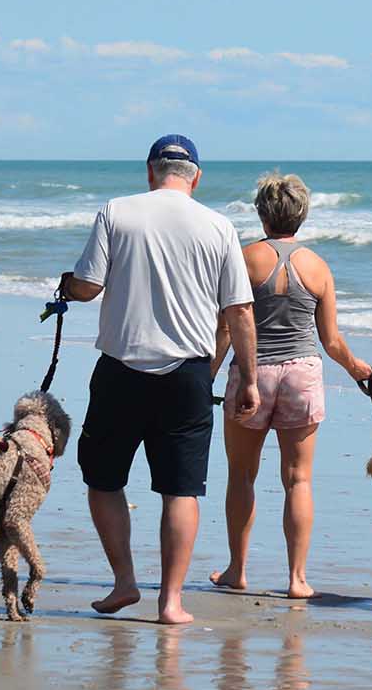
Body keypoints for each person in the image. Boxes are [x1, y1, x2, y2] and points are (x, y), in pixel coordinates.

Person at [57, 134, 259, 625]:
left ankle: (125, 582)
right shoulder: (219, 226)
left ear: (150, 172)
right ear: (196, 176)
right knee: (181, 489)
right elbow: (239, 312)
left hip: (120, 370)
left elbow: (88, 286)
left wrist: (66, 285)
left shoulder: (116, 211)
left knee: (103, 480)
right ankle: (171, 602)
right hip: (188, 374)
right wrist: (249, 378)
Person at [209, 170, 372, 599]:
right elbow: (331, 340)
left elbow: (227, 327)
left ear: (262, 214)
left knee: (241, 477)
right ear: (301, 215)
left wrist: (205, 375)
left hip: (253, 373)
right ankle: (298, 579)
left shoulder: (244, 259)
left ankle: (237, 570)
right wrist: (357, 368)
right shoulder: (318, 267)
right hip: (302, 373)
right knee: (298, 480)